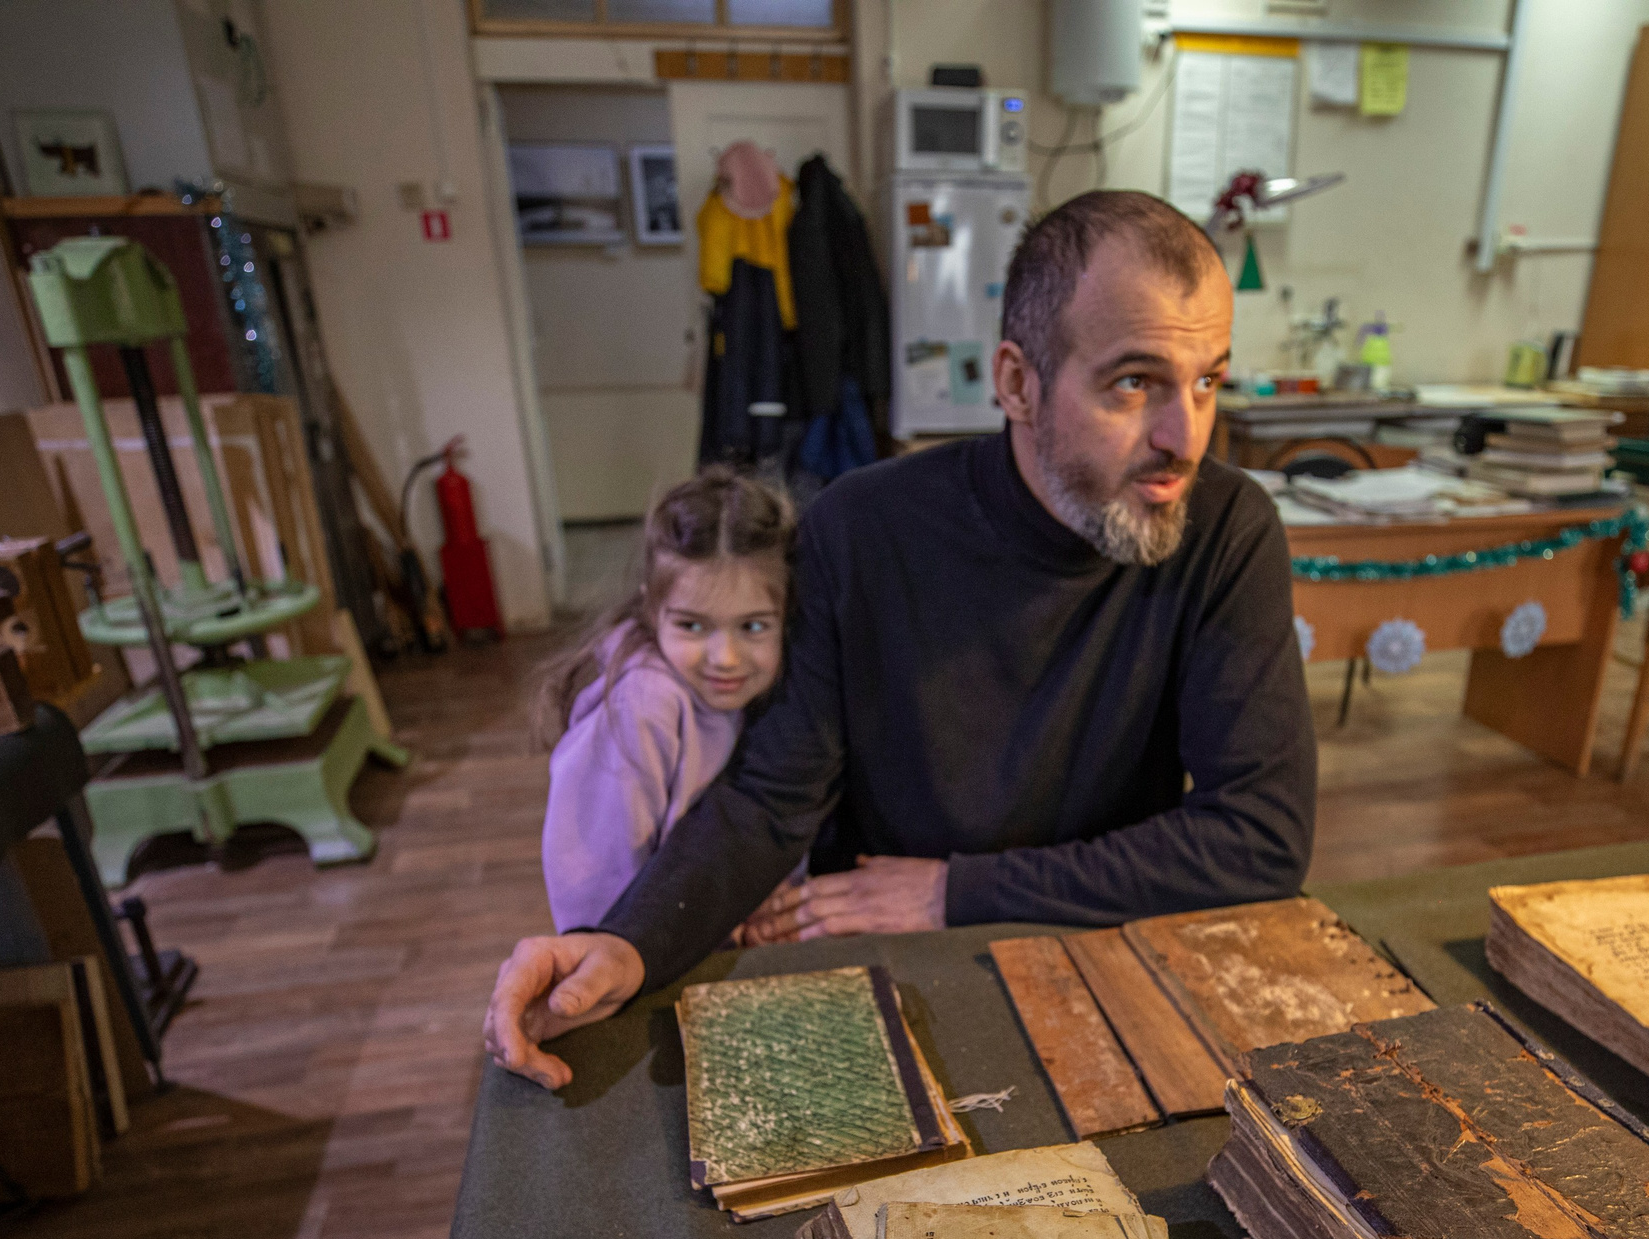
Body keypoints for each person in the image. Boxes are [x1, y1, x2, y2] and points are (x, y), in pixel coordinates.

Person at [486, 189, 1317, 1089]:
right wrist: (624, 941)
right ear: (1015, 383)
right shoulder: (863, 527)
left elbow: (1260, 838)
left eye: (1207, 381)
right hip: (885, 965)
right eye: (1134, 383)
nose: (1184, 436)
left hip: (1096, 959)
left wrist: (954, 889)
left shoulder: (1228, 525)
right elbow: (774, 796)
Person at [535, 469, 791, 935]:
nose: (726, 659)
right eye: (692, 626)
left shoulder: (786, 682)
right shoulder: (643, 706)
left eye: (753, 627)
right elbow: (596, 883)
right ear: (652, 610)